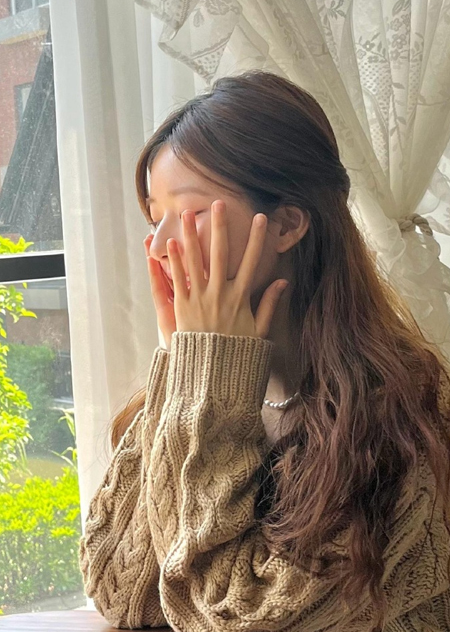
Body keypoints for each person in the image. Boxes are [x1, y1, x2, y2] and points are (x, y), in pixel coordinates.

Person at [79, 70, 450, 631]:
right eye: (155, 219)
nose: (159, 246)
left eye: (191, 215)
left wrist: (206, 375)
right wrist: (183, 367)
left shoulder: (402, 415)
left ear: (286, 225)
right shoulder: (203, 382)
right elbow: (119, 588)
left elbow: (236, 619)